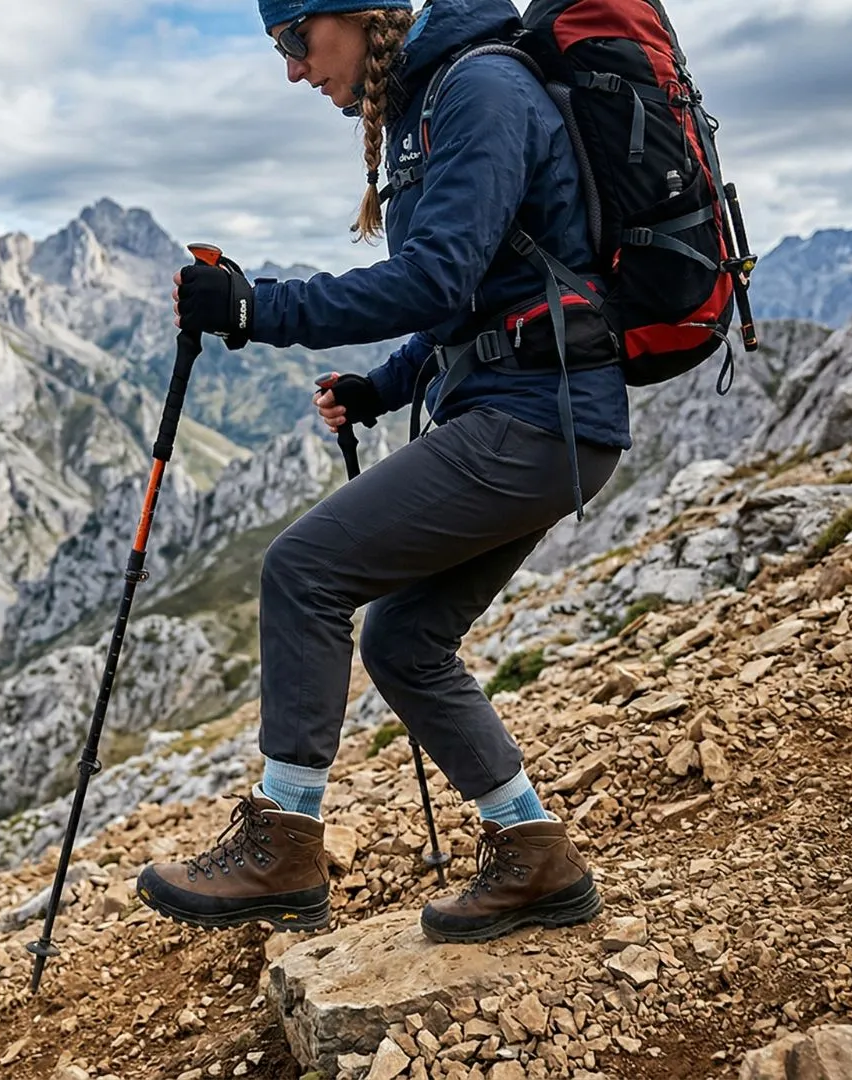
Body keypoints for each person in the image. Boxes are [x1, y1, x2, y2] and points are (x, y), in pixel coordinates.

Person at [135, 0, 630, 943]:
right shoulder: (427, 103)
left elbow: (439, 279)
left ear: (359, 16)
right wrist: (386, 383)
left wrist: (254, 307)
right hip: (533, 417)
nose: (291, 70)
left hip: (534, 421)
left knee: (304, 569)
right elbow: (480, 292)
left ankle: (282, 847)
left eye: (294, 41)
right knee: (402, 642)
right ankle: (536, 855)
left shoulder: (480, 90)